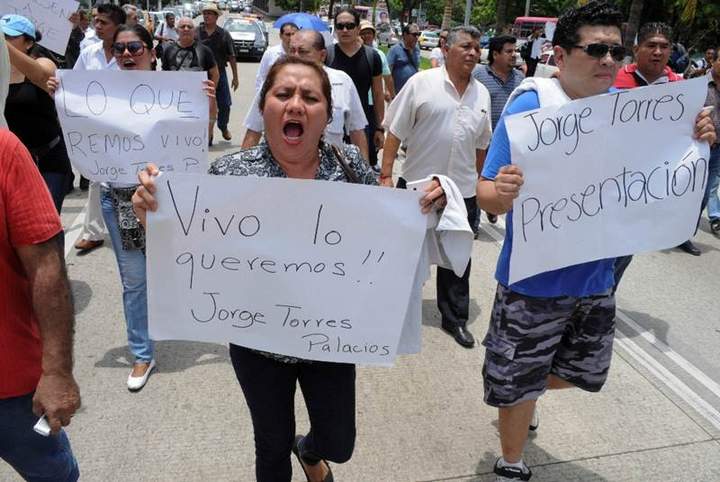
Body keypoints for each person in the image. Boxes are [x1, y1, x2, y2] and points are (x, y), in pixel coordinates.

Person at [133, 55, 449, 482]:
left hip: (331, 337)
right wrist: (152, 218)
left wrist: (429, 202)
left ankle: (310, 450)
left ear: (327, 115)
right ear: (264, 106)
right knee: (271, 445)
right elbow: (187, 251)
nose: (296, 104)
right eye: (283, 94)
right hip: (257, 342)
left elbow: (388, 226)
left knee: (339, 443)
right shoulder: (229, 174)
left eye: (310, 97)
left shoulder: (349, 165)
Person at [475, 3, 716, 480]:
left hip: (596, 279)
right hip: (533, 282)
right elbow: (484, 192)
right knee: (517, 379)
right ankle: (511, 461)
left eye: (615, 50)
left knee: (582, 373)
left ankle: (524, 391)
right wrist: (500, 192)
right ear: (561, 55)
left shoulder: (631, 110)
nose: (608, 59)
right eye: (596, 49)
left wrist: (698, 135)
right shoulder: (531, 106)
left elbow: (667, 168)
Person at [381, 25, 492, 349]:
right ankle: (391, 312)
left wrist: (480, 181)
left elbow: (481, 145)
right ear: (446, 49)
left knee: (458, 257)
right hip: (418, 187)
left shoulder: (482, 94)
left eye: (477, 48)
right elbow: (395, 132)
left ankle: (454, 318)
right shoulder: (422, 83)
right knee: (405, 255)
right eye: (466, 46)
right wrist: (386, 175)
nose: (473, 53)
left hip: (462, 192)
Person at [0, 126, 81, 481]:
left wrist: (57, 372)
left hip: (9, 388)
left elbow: (46, 267)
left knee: (53, 475)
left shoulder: (4, 151)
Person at [613, 22, 689, 290]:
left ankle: (603, 297)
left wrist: (704, 131)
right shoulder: (613, 80)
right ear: (636, 49)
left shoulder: (683, 89)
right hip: (608, 182)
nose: (658, 52)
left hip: (647, 189)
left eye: (664, 46)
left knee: (625, 250)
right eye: (651, 45)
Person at [242, 29, 368, 160]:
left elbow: (357, 132)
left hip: (330, 169)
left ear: (322, 55)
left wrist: (364, 170)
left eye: (302, 52)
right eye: (292, 51)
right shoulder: (274, 80)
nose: (296, 57)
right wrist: (241, 168)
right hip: (277, 168)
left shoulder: (342, 81)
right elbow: (253, 130)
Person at [3, 14, 73, 213]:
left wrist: (3, 46)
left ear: (29, 42)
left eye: (9, 37)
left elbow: (41, 75)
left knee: (47, 217)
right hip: (13, 162)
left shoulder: (44, 62)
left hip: (48, 159)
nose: (3, 41)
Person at [71, 3, 127, 253]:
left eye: (104, 22)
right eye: (96, 21)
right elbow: (74, 84)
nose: (97, 26)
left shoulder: (132, 52)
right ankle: (93, 232)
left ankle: (136, 228)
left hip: (127, 128)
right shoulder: (88, 53)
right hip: (97, 130)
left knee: (129, 179)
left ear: (118, 26)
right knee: (96, 178)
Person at [472, 35, 525, 228]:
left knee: (502, 183)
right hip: (482, 142)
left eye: (515, 51)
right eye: (509, 51)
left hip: (507, 145)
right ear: (495, 54)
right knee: (478, 180)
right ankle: (474, 221)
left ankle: (493, 207)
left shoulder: (520, 80)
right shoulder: (479, 75)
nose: (514, 55)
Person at [329, 7, 384, 168]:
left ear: (358, 28)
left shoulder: (372, 57)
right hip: (332, 126)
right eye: (340, 26)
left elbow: (378, 94)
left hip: (363, 125)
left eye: (350, 26)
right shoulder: (327, 55)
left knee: (362, 169)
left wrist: (379, 128)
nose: (345, 30)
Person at [161, 17, 219, 145]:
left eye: (189, 27)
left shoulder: (204, 51)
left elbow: (215, 73)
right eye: (182, 27)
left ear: (194, 31)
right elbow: (164, 74)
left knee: (198, 140)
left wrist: (211, 91)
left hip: (198, 101)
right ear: (177, 30)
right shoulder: (168, 50)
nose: (186, 29)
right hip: (174, 102)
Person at [199, 3, 238, 142]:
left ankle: (223, 126)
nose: (206, 16)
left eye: (210, 13)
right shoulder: (196, 32)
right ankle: (207, 135)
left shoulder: (224, 34)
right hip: (200, 74)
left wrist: (235, 77)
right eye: (205, 13)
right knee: (202, 107)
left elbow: (231, 56)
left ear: (216, 17)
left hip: (220, 74)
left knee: (225, 104)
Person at [704, 49, 720, 235]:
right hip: (702, 146)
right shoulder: (698, 84)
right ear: (713, 62)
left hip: (718, 148)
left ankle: (715, 217)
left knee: (712, 185)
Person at [255, 22, 298, 91]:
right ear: (280, 36)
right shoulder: (270, 53)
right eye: (288, 34)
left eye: (294, 34)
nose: (291, 38)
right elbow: (261, 77)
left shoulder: (301, 55)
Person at [359, 20, 394, 103]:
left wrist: (393, 96)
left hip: (374, 101)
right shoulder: (353, 53)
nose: (366, 36)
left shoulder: (380, 54)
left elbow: (387, 77)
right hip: (357, 101)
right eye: (363, 33)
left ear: (373, 35)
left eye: (369, 33)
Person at [386, 23, 421, 94]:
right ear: (405, 35)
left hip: (412, 91)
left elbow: (417, 68)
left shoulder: (417, 50)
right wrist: (387, 91)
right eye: (414, 34)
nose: (417, 37)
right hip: (398, 92)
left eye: (418, 34)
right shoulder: (395, 50)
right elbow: (388, 72)